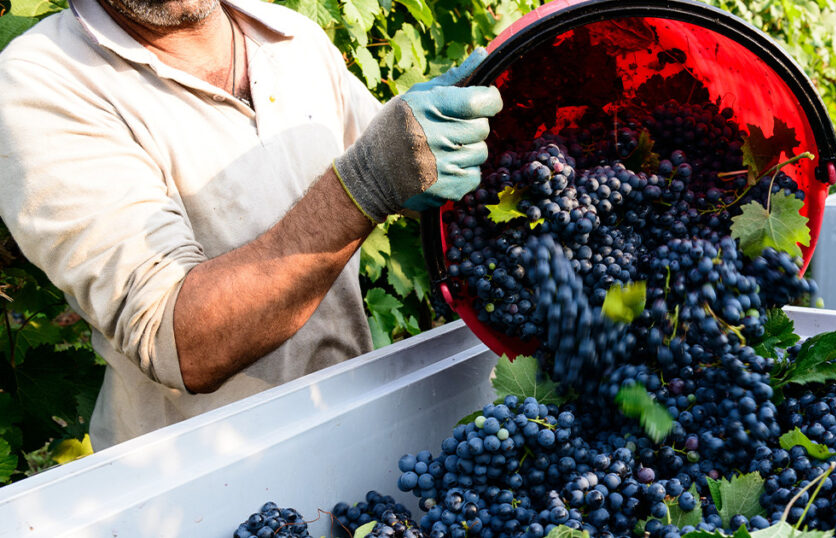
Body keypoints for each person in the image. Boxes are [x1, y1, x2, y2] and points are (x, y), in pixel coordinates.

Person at [0, 0, 502, 450]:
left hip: (353, 432)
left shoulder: (291, 37)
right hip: (200, 490)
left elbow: (398, 167)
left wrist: (450, 149)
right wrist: (368, 181)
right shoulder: (40, 81)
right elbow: (177, 343)